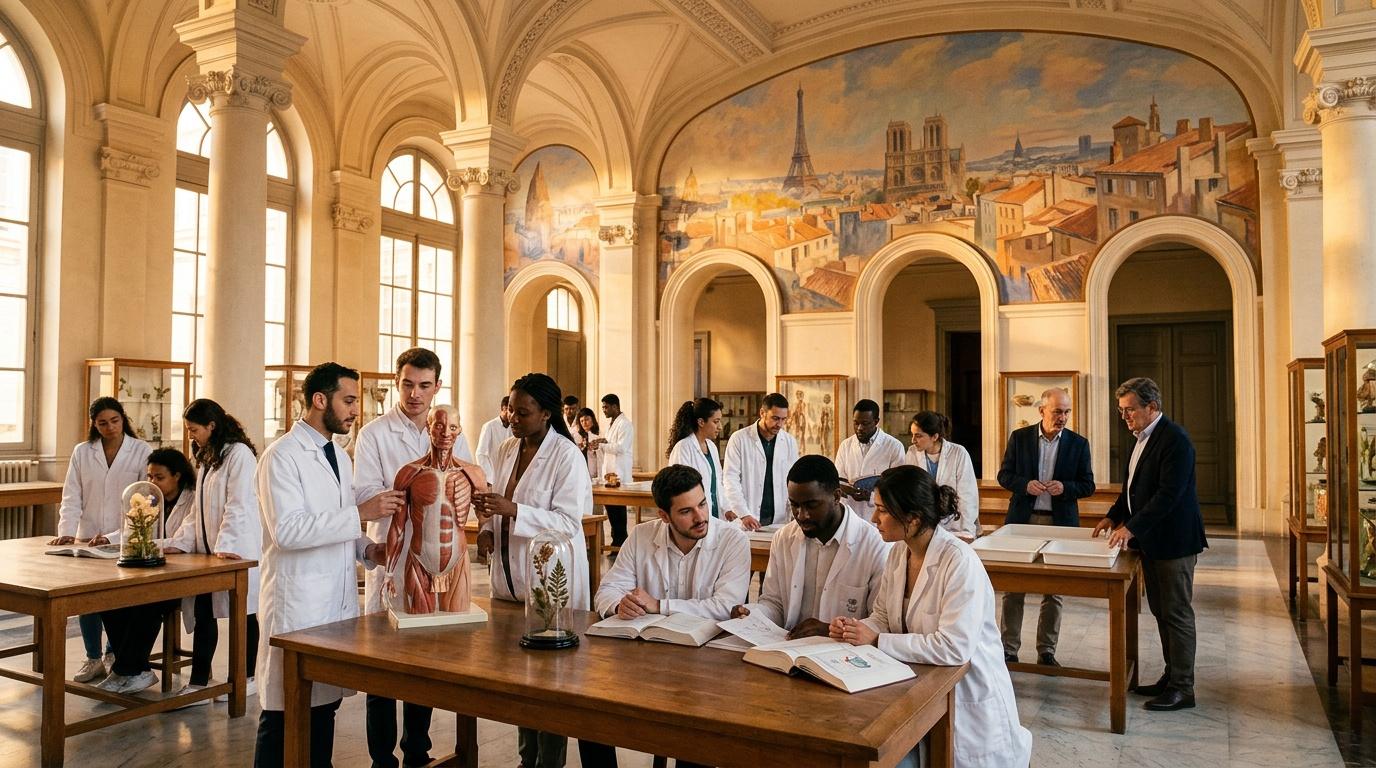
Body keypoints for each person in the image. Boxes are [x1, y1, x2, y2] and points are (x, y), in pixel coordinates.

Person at [831, 465, 1032, 768]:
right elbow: (884, 615)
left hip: (966, 696)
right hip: (918, 688)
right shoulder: (900, 552)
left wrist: (877, 640)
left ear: (912, 519)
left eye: (883, 511)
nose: (874, 519)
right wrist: (858, 629)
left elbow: (954, 647)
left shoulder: (958, 562)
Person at [254, 362, 384, 768]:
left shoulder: (339, 457)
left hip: (332, 604)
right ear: (319, 400)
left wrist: (368, 550)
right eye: (348, 400)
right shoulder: (282, 457)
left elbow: (335, 520)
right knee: (283, 714)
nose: (355, 410)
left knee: (322, 710)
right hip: (300, 603)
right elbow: (289, 531)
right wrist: (361, 512)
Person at [352, 347, 473, 768]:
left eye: (425, 385)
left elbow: (467, 492)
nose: (415, 394)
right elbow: (366, 496)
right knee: (381, 668)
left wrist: (457, 493)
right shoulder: (374, 434)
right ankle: (381, 758)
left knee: (427, 659)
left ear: (437, 386)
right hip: (393, 560)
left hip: (437, 563)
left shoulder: (453, 429)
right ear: (396, 382)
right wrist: (408, 494)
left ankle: (416, 750)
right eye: (407, 384)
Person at [583, 464, 748, 768]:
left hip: (708, 669)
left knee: (696, 737)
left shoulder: (732, 540)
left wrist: (659, 605)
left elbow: (726, 604)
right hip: (648, 662)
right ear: (663, 516)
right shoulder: (642, 535)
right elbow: (605, 592)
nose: (700, 517)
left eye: (702, 504)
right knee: (591, 714)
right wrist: (620, 604)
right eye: (686, 511)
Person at [472, 373, 590, 768]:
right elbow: (495, 500)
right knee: (520, 678)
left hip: (548, 578)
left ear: (546, 413)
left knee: (550, 681)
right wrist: (487, 528)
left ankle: (549, 761)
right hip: (508, 577)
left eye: (522, 413)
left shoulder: (565, 456)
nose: (512, 419)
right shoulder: (507, 449)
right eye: (510, 410)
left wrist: (515, 512)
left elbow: (569, 523)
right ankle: (527, 758)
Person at [1094, 377, 1207, 712]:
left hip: (1175, 542)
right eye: (1122, 411)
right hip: (1152, 542)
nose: (1125, 417)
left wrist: (1131, 527)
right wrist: (1113, 516)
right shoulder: (1142, 437)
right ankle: (1171, 677)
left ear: (1152, 407)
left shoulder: (1176, 440)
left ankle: (1183, 688)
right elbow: (1132, 488)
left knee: (1176, 613)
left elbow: (1167, 496)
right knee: (1161, 612)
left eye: (1130, 410)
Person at [162, 399, 262, 703]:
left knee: (244, 614)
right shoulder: (207, 455)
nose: (191, 435)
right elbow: (198, 508)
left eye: (194, 430)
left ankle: (246, 677)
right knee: (205, 612)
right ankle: (200, 682)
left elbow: (239, 503)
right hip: (208, 553)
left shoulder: (240, 455)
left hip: (236, 550)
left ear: (211, 426)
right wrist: (181, 541)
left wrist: (228, 545)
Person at [51, 397, 152, 683]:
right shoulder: (83, 452)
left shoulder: (141, 450)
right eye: (103, 423)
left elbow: (143, 499)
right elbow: (72, 494)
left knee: (117, 598)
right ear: (94, 425)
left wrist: (112, 535)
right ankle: (93, 657)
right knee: (88, 599)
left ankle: (113, 653)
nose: (110, 428)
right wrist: (67, 532)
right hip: (87, 536)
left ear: (123, 419)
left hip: (122, 536)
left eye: (115, 421)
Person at [731, 455, 888, 638]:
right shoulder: (783, 538)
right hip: (789, 650)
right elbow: (774, 603)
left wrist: (831, 629)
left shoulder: (874, 545)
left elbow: (879, 621)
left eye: (811, 505)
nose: (802, 515)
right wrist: (754, 615)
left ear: (836, 497)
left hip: (843, 655)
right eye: (794, 505)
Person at [996, 388, 1094, 666]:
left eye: (1066, 412)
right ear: (1041, 411)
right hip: (1023, 522)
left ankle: (1046, 651)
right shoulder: (1020, 438)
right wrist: (1024, 484)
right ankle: (1008, 649)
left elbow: (1088, 484)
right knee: (1014, 587)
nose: (1062, 417)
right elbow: (1004, 475)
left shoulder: (1079, 444)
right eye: (1057, 412)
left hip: (1060, 523)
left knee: (1055, 590)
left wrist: (1065, 487)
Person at [90, 448, 196, 694]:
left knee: (145, 605)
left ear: (177, 476)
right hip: (148, 573)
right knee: (109, 600)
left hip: (180, 576)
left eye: (159, 477)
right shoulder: (150, 498)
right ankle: (137, 670)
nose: (152, 482)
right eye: (149, 476)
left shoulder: (192, 500)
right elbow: (132, 529)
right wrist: (108, 539)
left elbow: (183, 542)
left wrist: (146, 545)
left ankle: (126, 670)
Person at [722, 392, 799, 531]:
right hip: (747, 518)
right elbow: (730, 478)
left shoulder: (789, 442)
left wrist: (795, 511)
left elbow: (793, 480)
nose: (780, 424)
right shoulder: (739, 439)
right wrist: (743, 513)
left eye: (783, 419)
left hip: (779, 519)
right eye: (775, 418)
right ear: (762, 413)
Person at [904, 411, 979, 540]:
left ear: (934, 436)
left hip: (955, 525)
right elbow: (910, 492)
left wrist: (964, 530)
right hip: (923, 525)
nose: (913, 440)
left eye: (918, 436)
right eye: (912, 435)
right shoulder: (912, 453)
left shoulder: (958, 453)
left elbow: (967, 495)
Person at [833, 398, 904, 522]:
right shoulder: (846, 445)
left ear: (876, 421)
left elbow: (897, 488)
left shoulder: (894, 446)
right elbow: (838, 479)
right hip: (851, 514)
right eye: (856, 423)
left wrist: (870, 496)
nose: (860, 428)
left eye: (865, 423)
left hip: (879, 518)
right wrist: (849, 490)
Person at [666, 398, 727, 519]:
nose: (720, 427)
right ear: (701, 422)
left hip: (715, 513)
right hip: (694, 515)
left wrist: (727, 508)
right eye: (716, 422)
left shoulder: (711, 447)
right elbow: (679, 487)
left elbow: (718, 482)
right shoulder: (683, 447)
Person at [593, 393, 635, 549]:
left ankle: (621, 543)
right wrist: (602, 442)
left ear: (615, 406)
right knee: (611, 509)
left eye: (606, 407)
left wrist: (602, 445)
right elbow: (611, 444)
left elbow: (621, 447)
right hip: (609, 473)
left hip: (620, 473)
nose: (603, 410)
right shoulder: (611, 424)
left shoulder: (625, 424)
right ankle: (616, 542)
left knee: (618, 511)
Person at [475, 395, 513, 480]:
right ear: (504, 408)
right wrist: (489, 477)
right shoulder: (489, 426)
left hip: (510, 476)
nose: (514, 414)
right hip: (493, 476)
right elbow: (481, 454)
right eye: (511, 410)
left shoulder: (515, 428)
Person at [574, 407, 601, 478]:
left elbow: (601, 457)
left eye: (586, 419)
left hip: (594, 472)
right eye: (581, 421)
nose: (584, 423)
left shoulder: (599, 436)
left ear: (592, 419)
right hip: (580, 471)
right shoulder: (577, 436)